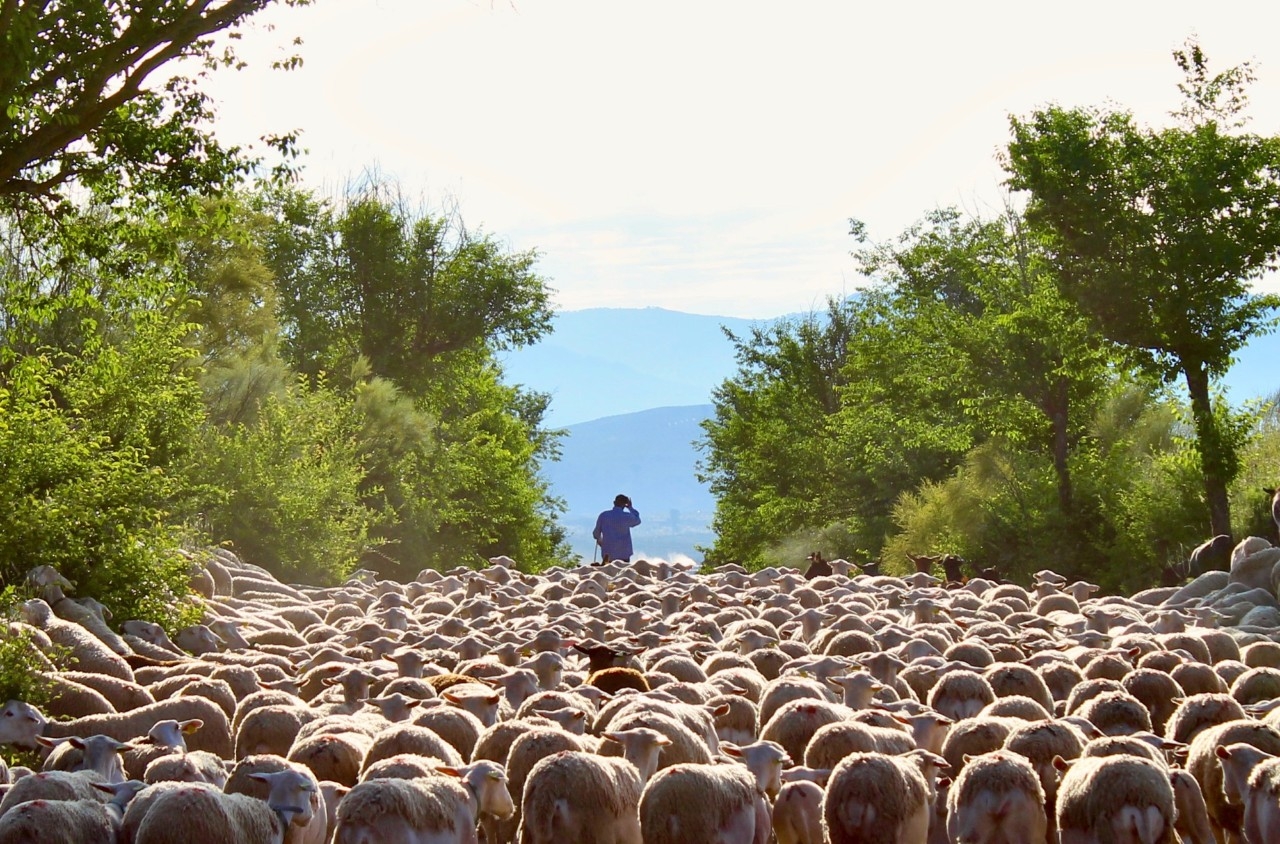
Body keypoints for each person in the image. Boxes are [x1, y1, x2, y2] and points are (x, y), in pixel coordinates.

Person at [593, 494, 641, 563]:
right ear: (625, 504)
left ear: (614, 503)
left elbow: (596, 534)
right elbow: (638, 520)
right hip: (624, 556)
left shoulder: (604, 515)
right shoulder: (627, 516)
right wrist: (630, 507)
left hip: (607, 556)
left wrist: (601, 542)